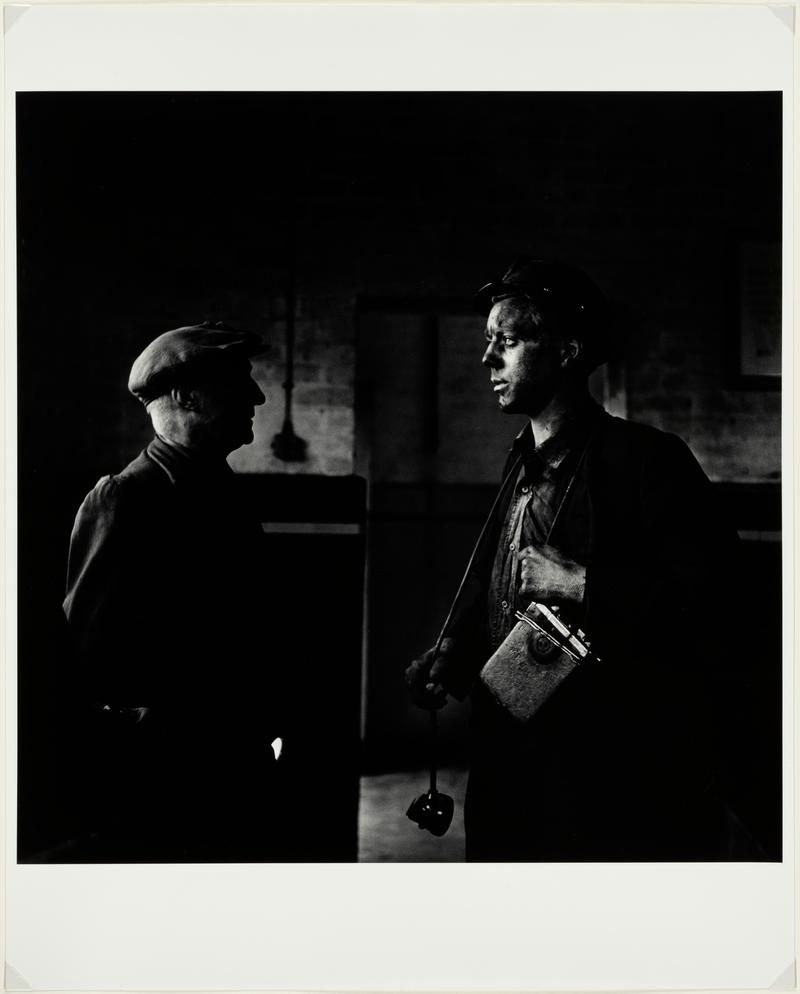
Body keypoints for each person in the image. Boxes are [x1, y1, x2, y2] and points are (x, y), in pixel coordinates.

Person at [406, 258, 742, 861]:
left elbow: (721, 599)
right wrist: (455, 653)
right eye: (489, 342)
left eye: (505, 342)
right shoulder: (518, 463)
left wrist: (584, 581)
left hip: (603, 780)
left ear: (565, 352)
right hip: (508, 762)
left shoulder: (648, 460)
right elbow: (494, 579)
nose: (488, 360)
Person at [63, 321, 289, 860]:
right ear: (187, 395)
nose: (257, 396)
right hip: (168, 785)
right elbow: (90, 660)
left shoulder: (219, 492)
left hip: (235, 771)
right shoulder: (127, 498)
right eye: (239, 380)